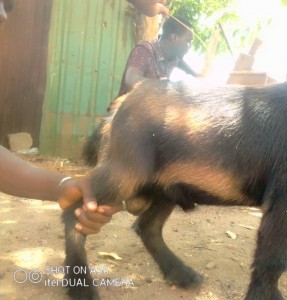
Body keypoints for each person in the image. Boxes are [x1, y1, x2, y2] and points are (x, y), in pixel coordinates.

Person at [0, 0, 171, 233]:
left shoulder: (166, 62)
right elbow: (132, 78)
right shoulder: (145, 49)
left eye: (8, 6)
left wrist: (61, 187)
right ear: (173, 38)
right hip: (124, 119)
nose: (3, 15)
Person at [117, 14, 199, 97]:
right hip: (126, 108)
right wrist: (162, 86)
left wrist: (195, 74)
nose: (190, 46)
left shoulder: (174, 57)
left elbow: (180, 62)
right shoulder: (145, 50)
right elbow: (131, 80)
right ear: (174, 38)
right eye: (188, 41)